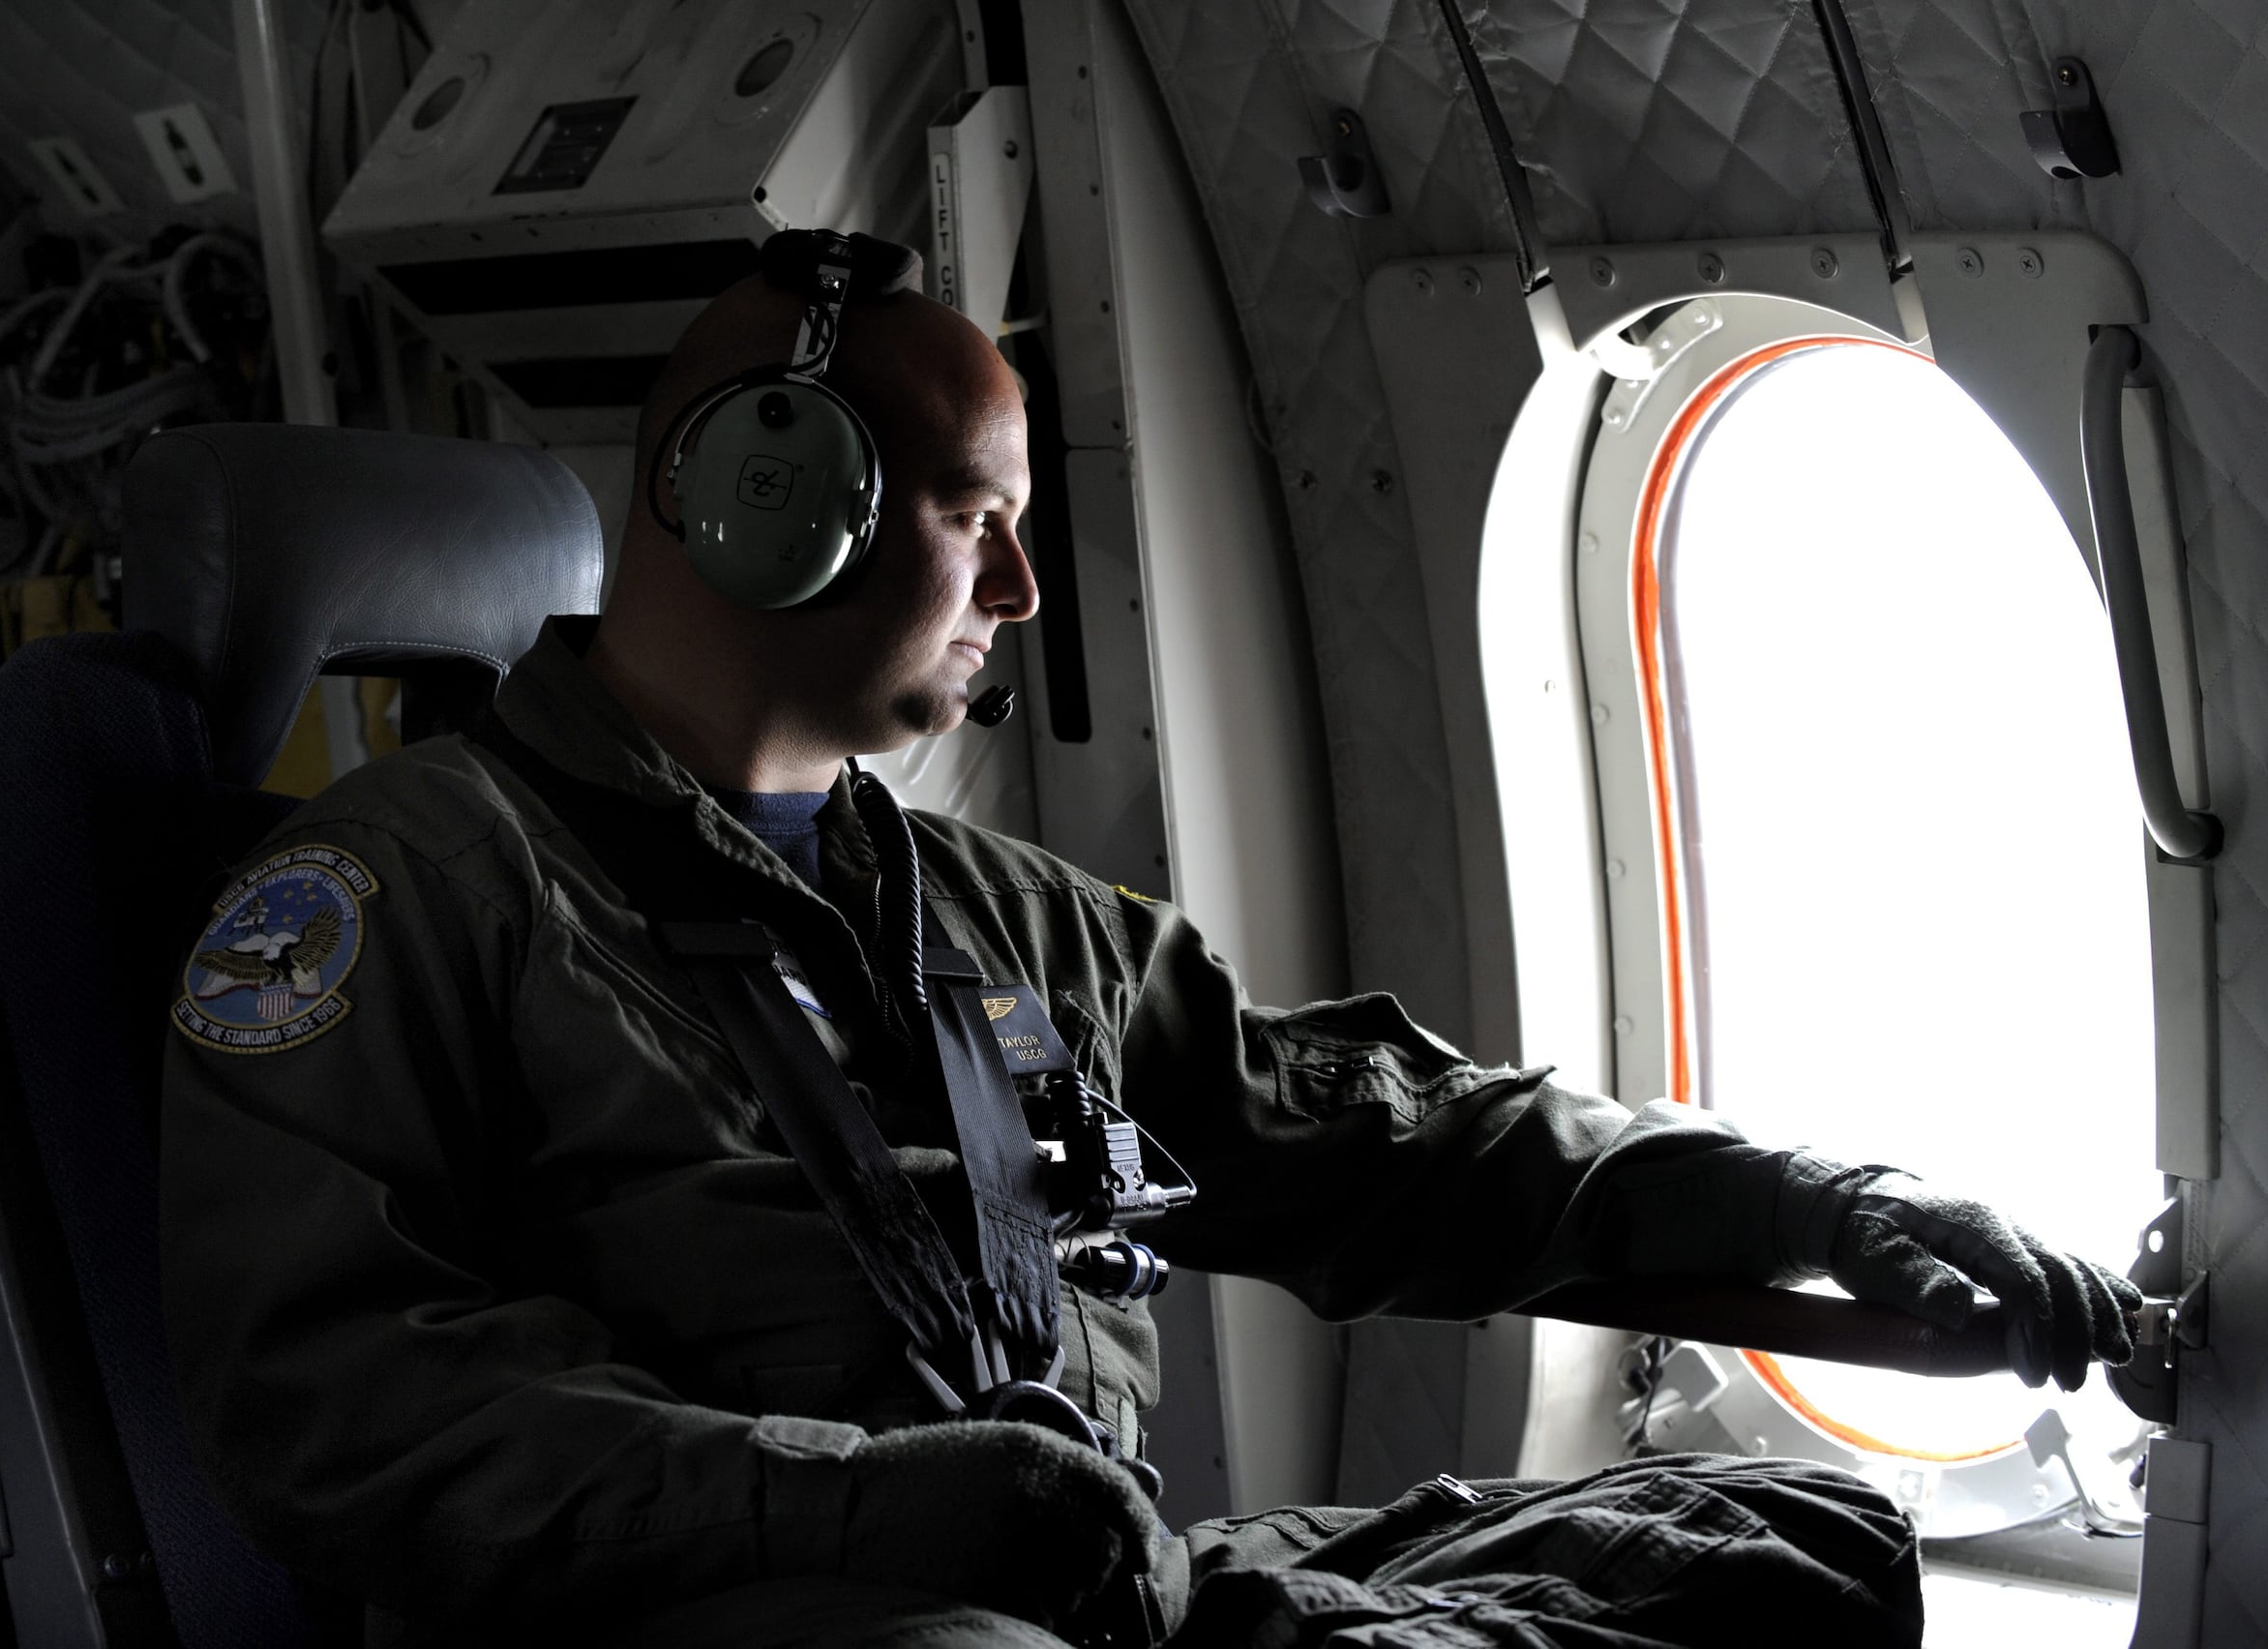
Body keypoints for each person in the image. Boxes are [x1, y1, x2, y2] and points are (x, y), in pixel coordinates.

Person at [159, 231, 2141, 1649]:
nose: (1023, 587)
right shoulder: (406, 893)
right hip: (768, 1615)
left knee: (1803, 1554)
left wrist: (1808, 1201)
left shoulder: (993, 916)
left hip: (1094, 1593)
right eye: (977, 516)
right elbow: (343, 1406)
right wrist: (852, 1502)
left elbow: (1387, 1144)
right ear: (770, 502)